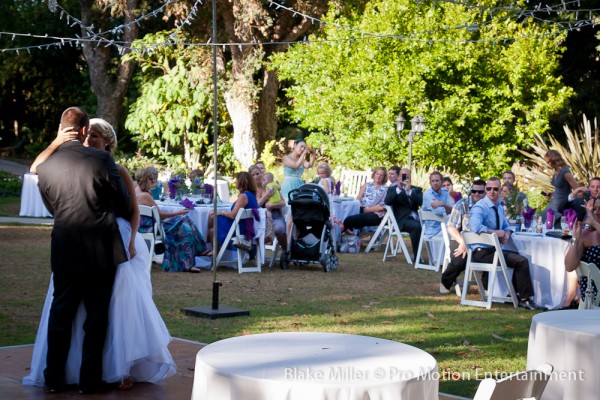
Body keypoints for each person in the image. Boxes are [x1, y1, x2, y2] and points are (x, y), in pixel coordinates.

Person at [25, 117, 176, 391]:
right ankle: (73, 377)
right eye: (88, 135)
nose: (89, 140)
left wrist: (130, 240)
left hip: (108, 241)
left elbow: (129, 207)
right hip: (90, 243)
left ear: (108, 140)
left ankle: (111, 370)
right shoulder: (72, 162)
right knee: (80, 312)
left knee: (109, 310)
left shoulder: (114, 166)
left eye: (95, 136)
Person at [31, 108, 131, 394]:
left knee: (61, 313)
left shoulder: (47, 166)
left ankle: (53, 378)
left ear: (62, 129)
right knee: (96, 316)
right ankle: (89, 380)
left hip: (63, 244)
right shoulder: (102, 159)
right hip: (101, 246)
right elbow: (123, 204)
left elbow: (51, 206)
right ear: (86, 130)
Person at [468, 177, 541, 310]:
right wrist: (496, 233)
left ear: (500, 190)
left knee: (519, 257)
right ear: (485, 190)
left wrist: (506, 233)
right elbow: (474, 226)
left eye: (495, 189)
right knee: (521, 261)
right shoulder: (480, 207)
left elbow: (506, 226)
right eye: (489, 189)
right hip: (482, 253)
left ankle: (514, 294)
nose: (492, 191)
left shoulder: (499, 207)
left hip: (494, 251)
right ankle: (524, 299)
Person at [136, 167, 209, 272]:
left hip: (146, 225)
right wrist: (178, 212)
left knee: (184, 222)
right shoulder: (145, 195)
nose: (153, 182)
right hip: (150, 227)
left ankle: (191, 259)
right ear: (146, 179)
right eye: (151, 179)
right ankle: (198, 252)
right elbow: (160, 215)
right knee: (184, 224)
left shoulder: (136, 191)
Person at [440, 179, 486, 294]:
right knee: (460, 260)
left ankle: (488, 286)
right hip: (461, 238)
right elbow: (451, 228)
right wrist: (463, 242)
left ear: (485, 192)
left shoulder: (488, 206)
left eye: (480, 192)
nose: (476, 194)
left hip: (482, 241)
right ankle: (445, 281)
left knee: (491, 258)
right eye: (474, 191)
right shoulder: (461, 204)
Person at [209, 171, 259, 248]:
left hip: (240, 228)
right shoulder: (251, 195)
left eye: (237, 180)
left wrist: (221, 212)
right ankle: (212, 251)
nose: (235, 182)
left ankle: (213, 252)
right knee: (212, 222)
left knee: (212, 220)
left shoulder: (243, 196)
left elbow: (233, 215)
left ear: (242, 182)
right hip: (246, 225)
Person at [564, 198, 600, 306]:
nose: (597, 212)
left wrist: (594, 222)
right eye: (594, 209)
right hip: (591, 296)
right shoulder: (585, 235)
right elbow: (569, 267)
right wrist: (575, 239)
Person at [384, 168, 423, 259]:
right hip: (402, 220)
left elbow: (422, 202)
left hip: (417, 219)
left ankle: (435, 257)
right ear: (399, 177)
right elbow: (387, 202)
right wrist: (399, 188)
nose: (404, 178)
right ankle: (417, 258)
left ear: (410, 178)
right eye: (402, 176)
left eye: (407, 176)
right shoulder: (393, 189)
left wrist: (409, 191)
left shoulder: (416, 189)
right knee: (416, 227)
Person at [338, 167, 388, 234]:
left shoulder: (386, 189)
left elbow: (382, 206)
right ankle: (345, 235)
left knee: (349, 220)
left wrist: (368, 209)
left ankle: (342, 236)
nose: (378, 176)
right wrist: (362, 208)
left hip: (375, 213)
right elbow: (358, 199)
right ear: (374, 174)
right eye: (377, 174)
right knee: (343, 214)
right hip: (362, 209)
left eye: (381, 175)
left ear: (384, 177)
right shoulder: (367, 185)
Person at [250, 166, 287, 251]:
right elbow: (256, 205)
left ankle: (285, 252)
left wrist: (272, 205)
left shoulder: (270, 185)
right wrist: (267, 195)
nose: (256, 177)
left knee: (280, 229)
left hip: (274, 215)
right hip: (257, 218)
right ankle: (255, 253)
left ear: (262, 174)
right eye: (253, 175)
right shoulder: (250, 190)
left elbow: (283, 202)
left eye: (257, 174)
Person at [543, 150, 579, 226]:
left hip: (562, 203)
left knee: (548, 220)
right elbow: (561, 188)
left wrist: (571, 201)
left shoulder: (565, 172)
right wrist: (552, 193)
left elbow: (577, 189)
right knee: (543, 219)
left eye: (547, 162)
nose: (547, 164)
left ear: (553, 160)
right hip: (554, 201)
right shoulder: (556, 170)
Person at [422, 172, 453, 237]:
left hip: (445, 227)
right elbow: (439, 211)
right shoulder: (428, 194)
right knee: (456, 232)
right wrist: (448, 208)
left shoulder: (445, 192)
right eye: (433, 181)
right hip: (433, 231)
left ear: (442, 182)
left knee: (459, 230)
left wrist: (442, 204)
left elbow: (453, 210)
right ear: (430, 183)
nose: (435, 183)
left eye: (437, 180)